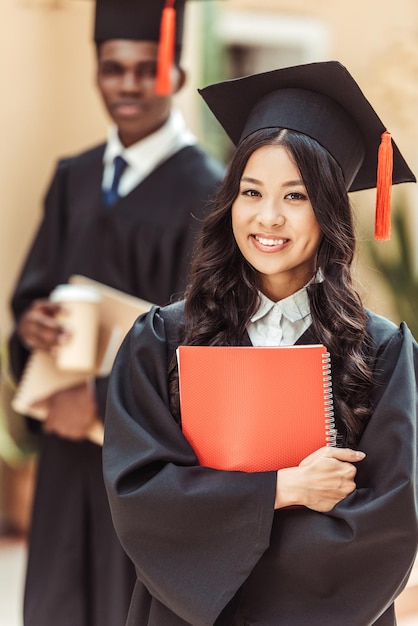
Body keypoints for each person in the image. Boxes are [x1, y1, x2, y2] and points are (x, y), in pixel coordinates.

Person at [103, 60, 418, 626]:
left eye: (296, 197)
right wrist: (281, 489)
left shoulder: (383, 351)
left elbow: (389, 521)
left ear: (329, 211)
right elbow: (141, 495)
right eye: (252, 192)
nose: (267, 217)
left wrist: (230, 529)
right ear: (230, 202)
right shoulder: (163, 338)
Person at [8, 0, 224, 624]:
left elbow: (204, 340)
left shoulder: (209, 194)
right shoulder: (73, 178)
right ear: (96, 71)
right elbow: (32, 292)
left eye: (145, 68)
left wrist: (101, 402)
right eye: (112, 67)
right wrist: (30, 326)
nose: (127, 84)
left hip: (140, 465)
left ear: (176, 75)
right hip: (61, 449)